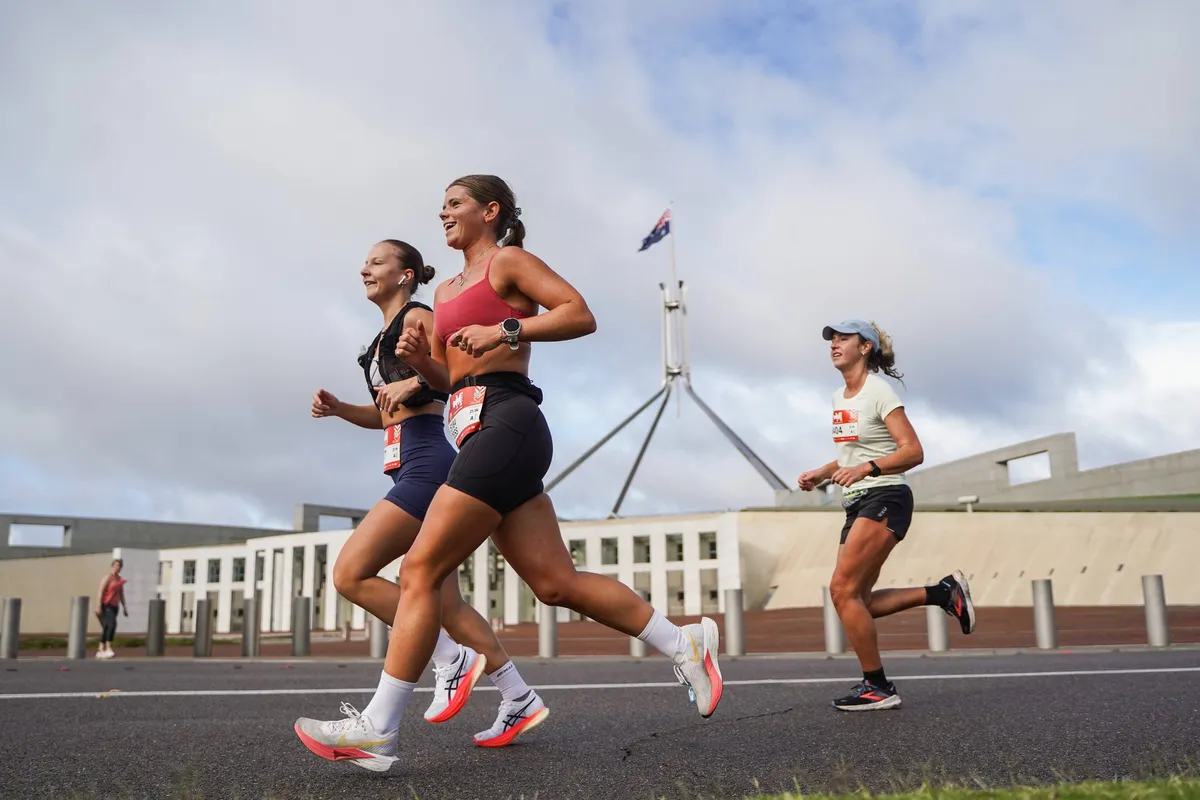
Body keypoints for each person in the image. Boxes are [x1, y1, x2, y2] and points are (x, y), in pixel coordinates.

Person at [295, 174, 724, 772]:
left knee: (419, 568)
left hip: (510, 419)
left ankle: (378, 728)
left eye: (455, 203)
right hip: (474, 429)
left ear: (489, 211)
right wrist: (425, 364)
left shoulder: (509, 262)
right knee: (554, 584)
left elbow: (580, 314)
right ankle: (685, 643)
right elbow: (449, 379)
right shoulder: (443, 293)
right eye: (440, 205)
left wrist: (508, 328)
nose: (443, 212)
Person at [294, 239, 545, 764]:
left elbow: (455, 377)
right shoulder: (383, 335)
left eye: (377, 261)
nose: (365, 268)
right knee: (442, 600)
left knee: (351, 573)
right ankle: (517, 695)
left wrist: (414, 377)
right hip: (407, 462)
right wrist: (343, 409)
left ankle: (447, 658)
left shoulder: (421, 317)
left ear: (407, 275)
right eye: (365, 262)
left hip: (430, 465)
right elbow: (390, 413)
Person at [796, 319, 975, 711]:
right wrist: (823, 473)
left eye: (844, 339)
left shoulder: (879, 392)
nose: (834, 345)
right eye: (832, 340)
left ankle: (878, 687)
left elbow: (913, 451)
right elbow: (852, 454)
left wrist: (866, 469)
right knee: (860, 601)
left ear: (865, 348)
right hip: (856, 500)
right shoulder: (838, 398)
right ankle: (942, 592)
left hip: (887, 495)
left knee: (841, 591)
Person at [95, 558, 127, 659]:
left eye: (119, 566)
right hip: (106, 604)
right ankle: (108, 646)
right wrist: (98, 605)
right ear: (112, 566)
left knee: (107, 626)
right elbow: (101, 591)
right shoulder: (108, 578)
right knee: (112, 624)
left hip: (115, 605)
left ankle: (100, 648)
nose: (117, 568)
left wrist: (124, 607)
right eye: (116, 565)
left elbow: (121, 594)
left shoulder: (120, 580)